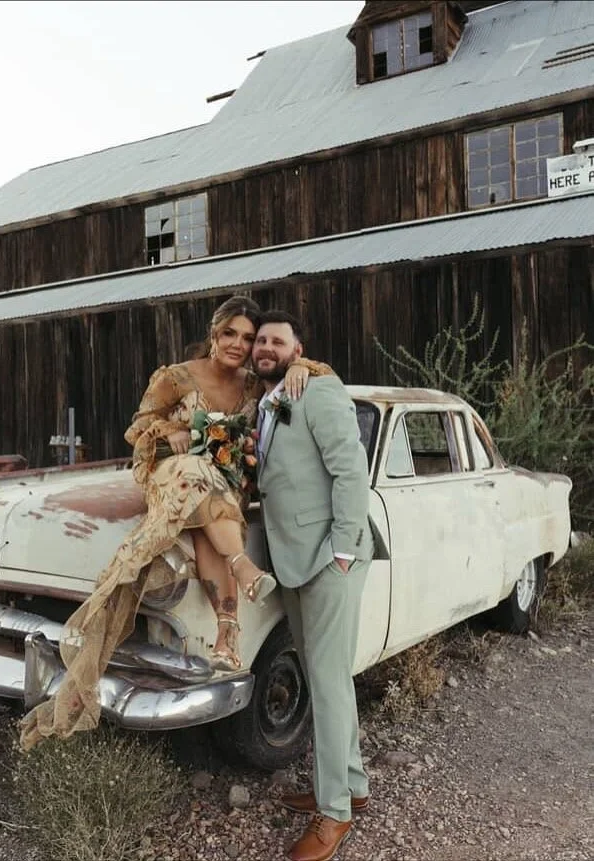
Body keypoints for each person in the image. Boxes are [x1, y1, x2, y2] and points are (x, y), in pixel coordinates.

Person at [19, 295, 331, 751]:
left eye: (248, 338)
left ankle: (226, 636)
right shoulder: (176, 377)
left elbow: (308, 370)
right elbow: (139, 426)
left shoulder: (253, 386)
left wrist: (308, 368)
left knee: (207, 509)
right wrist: (172, 433)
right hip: (169, 471)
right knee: (195, 476)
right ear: (214, 333)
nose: (240, 345)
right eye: (232, 334)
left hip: (220, 483)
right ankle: (242, 570)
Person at [251, 310, 374, 861]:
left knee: (324, 686)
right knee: (328, 677)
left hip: (329, 557)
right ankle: (352, 786)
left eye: (277, 340)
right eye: (260, 340)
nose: (265, 347)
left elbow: (351, 470)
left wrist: (343, 551)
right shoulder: (272, 401)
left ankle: (335, 816)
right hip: (293, 559)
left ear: (297, 349)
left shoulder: (319, 390)